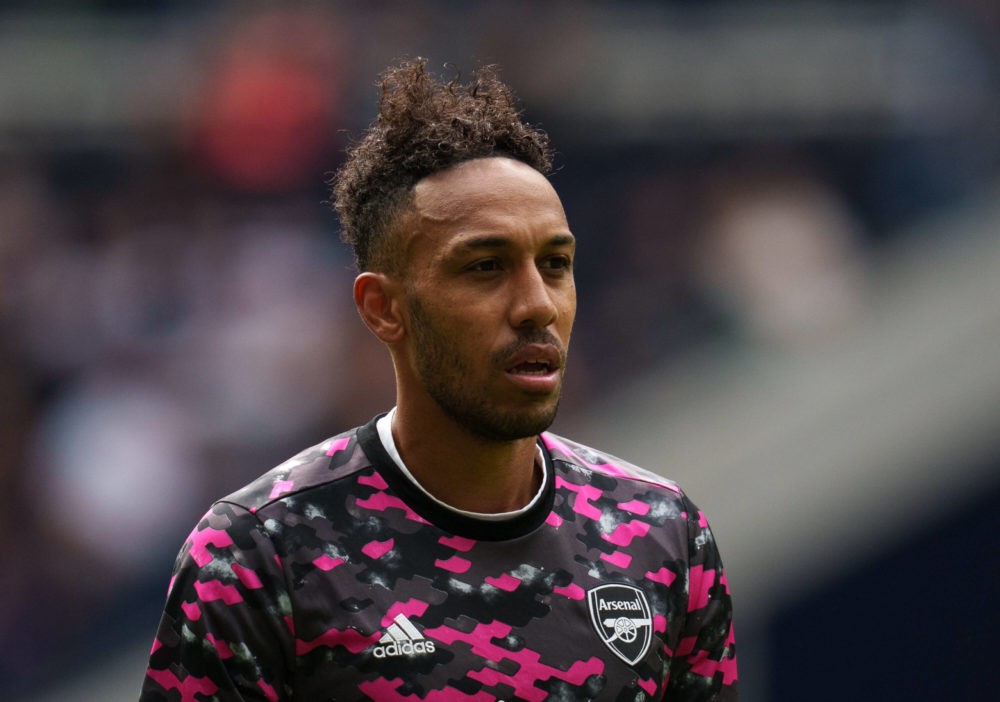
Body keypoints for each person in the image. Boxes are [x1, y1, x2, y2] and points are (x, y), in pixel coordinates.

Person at [140, 58, 738, 702]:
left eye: (555, 263)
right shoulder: (259, 554)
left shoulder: (663, 532)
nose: (537, 304)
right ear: (383, 308)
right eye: (486, 266)